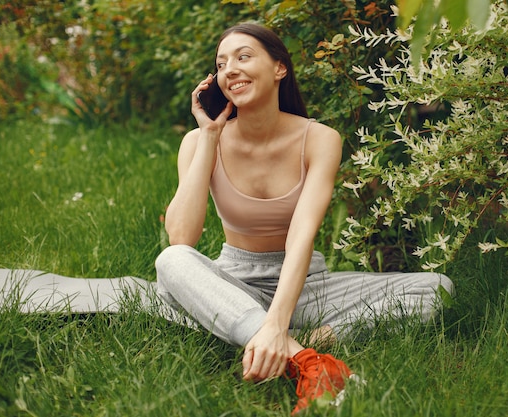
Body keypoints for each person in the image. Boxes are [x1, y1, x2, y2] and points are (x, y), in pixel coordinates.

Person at [154, 22, 453, 415]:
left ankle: (260, 335)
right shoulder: (199, 140)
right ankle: (308, 362)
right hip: (236, 281)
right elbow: (181, 237)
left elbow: (301, 236)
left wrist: (278, 323)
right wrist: (208, 137)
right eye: (221, 63)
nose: (230, 69)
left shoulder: (320, 139)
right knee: (172, 262)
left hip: (308, 286)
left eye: (244, 57)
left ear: (280, 68)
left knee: (438, 288)